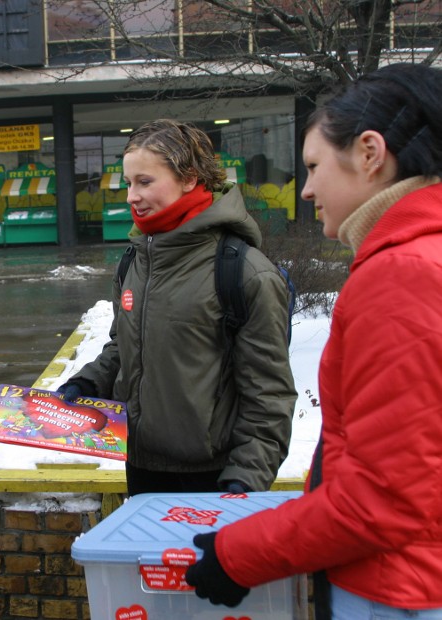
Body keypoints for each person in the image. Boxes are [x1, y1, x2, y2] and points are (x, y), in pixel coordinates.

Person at [185, 63, 442, 620]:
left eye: (314, 166)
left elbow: (384, 499)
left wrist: (235, 556)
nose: (306, 189)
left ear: (370, 153)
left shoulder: (402, 275)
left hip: (396, 590)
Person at [58, 119, 296, 496]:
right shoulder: (134, 262)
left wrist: (245, 478)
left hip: (216, 478)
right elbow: (125, 346)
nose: (131, 196)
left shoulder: (245, 272)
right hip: (141, 467)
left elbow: (268, 394)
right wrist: (88, 380)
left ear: (189, 178)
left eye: (145, 182)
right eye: (129, 183)